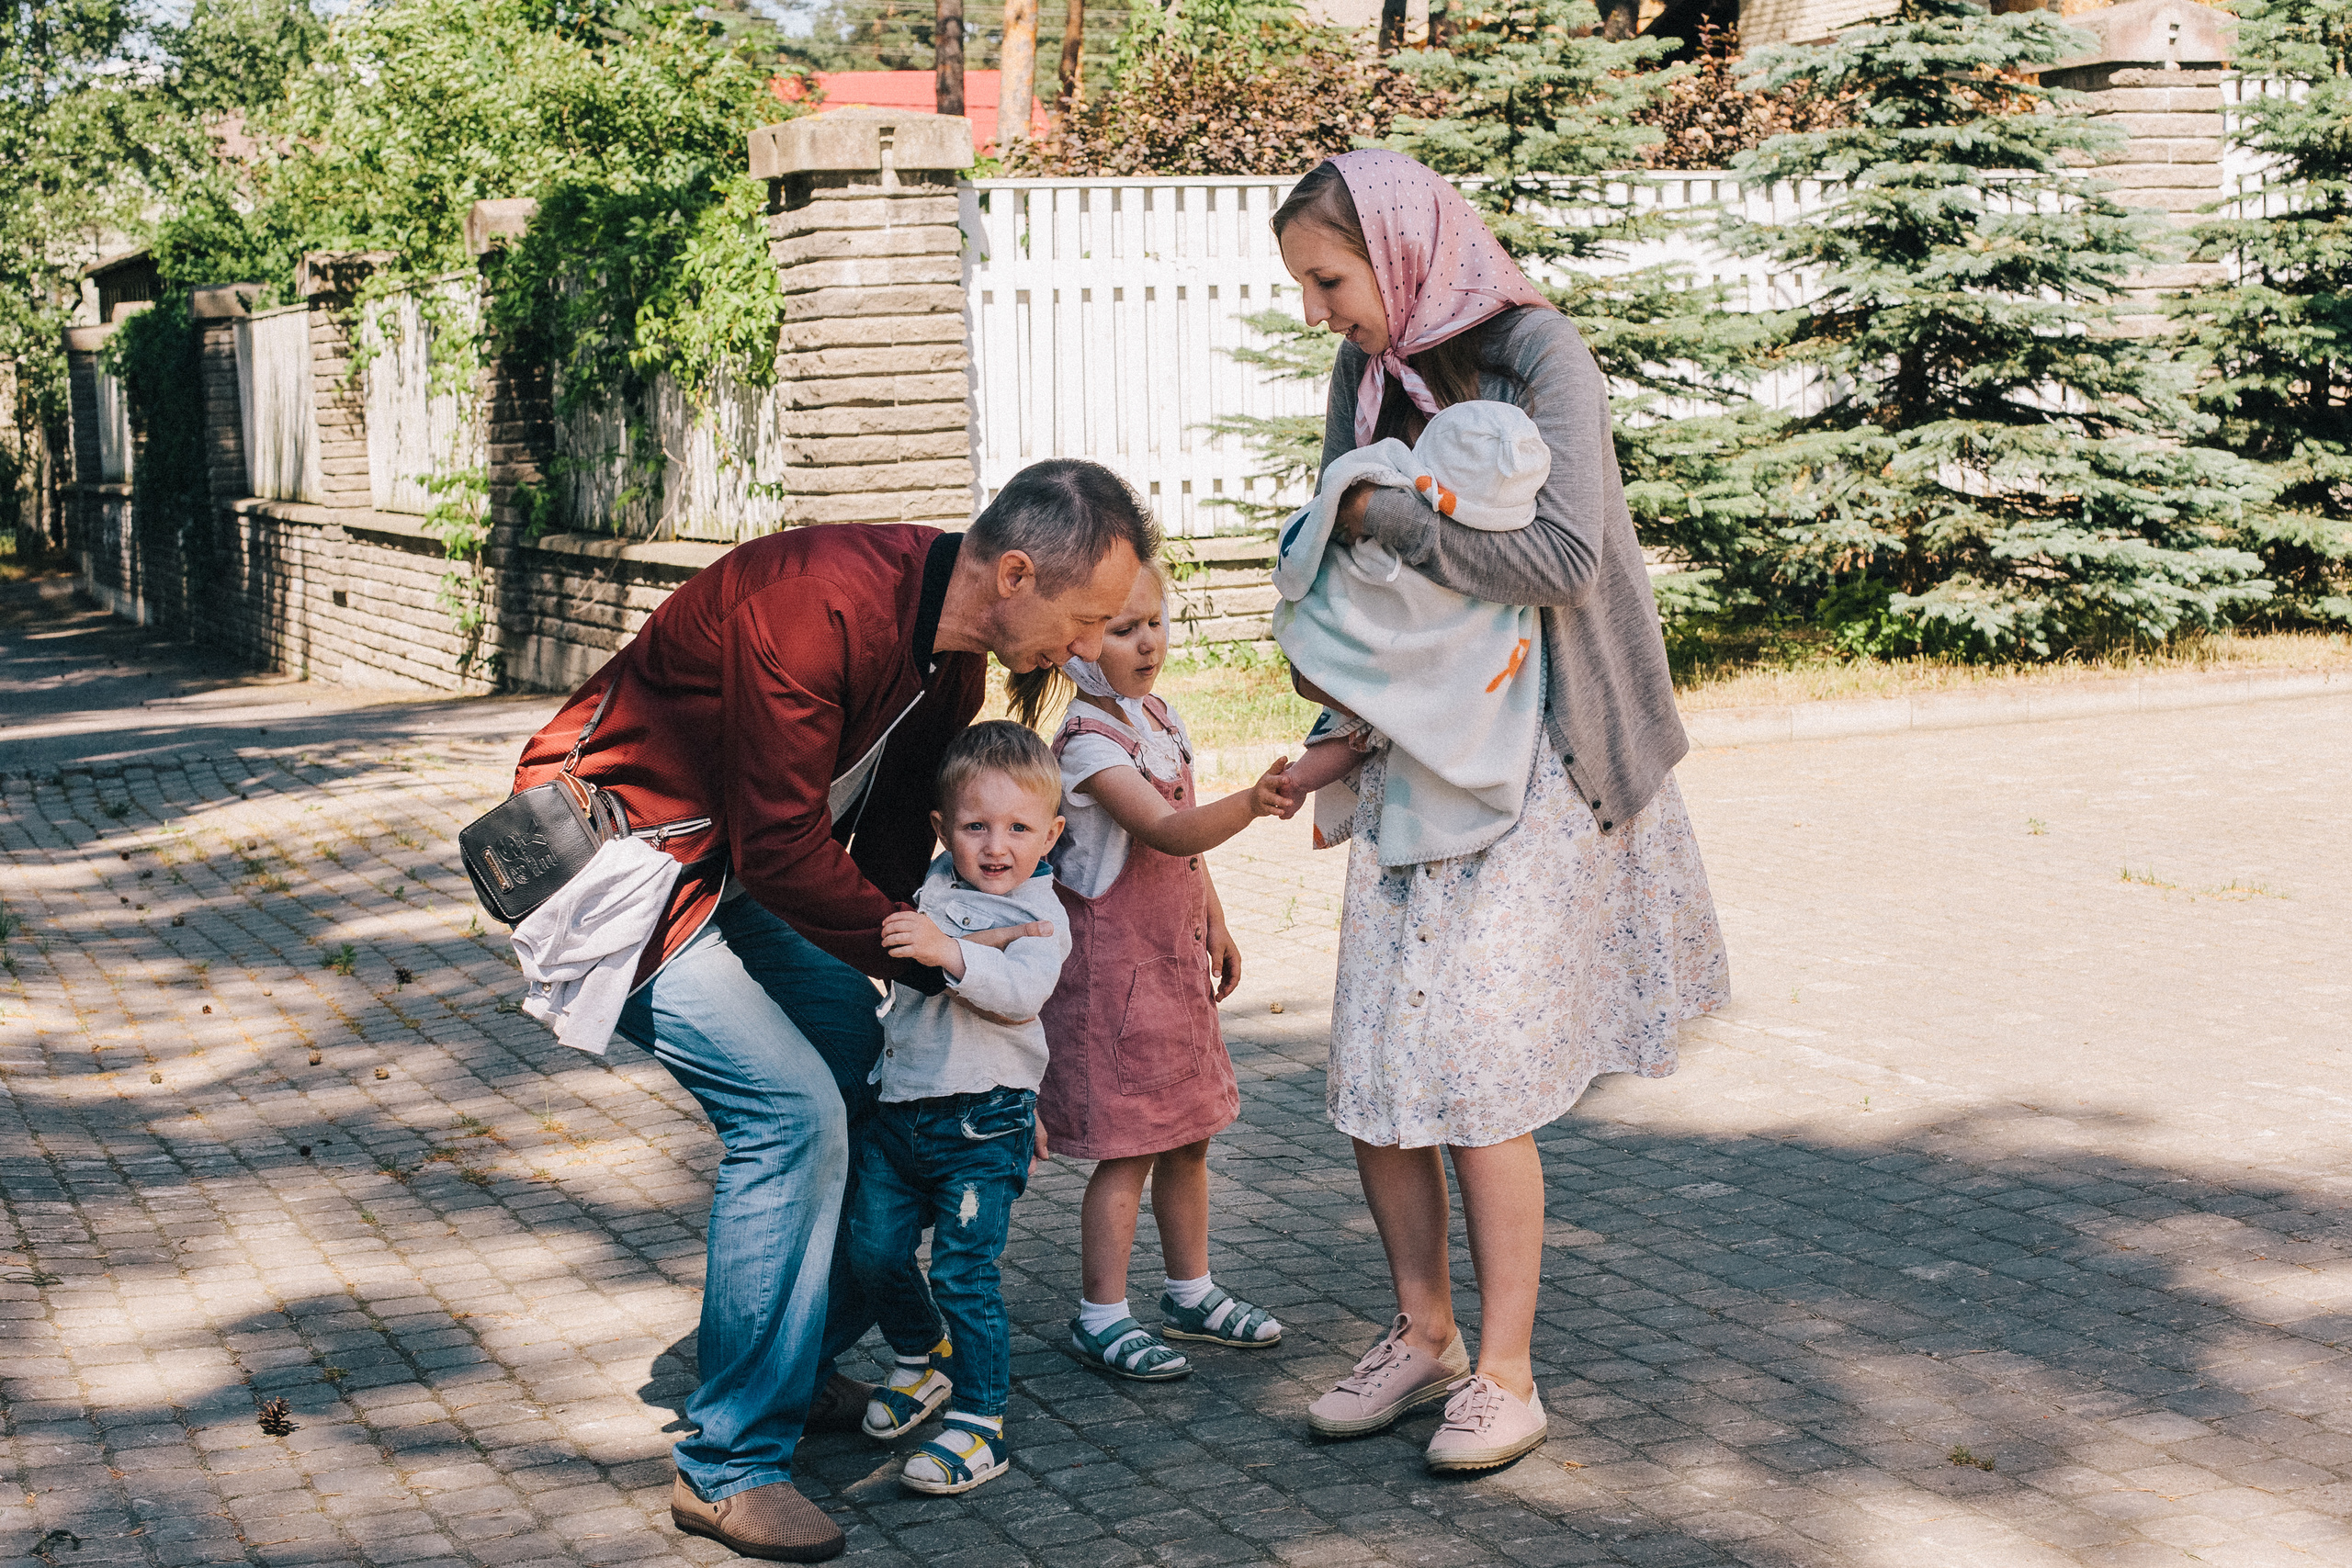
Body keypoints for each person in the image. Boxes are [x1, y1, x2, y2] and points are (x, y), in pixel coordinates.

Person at [506, 463, 1154, 1561]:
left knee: (875, 1084)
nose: (1088, 647)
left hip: (726, 875)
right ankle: (724, 1464)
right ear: (1013, 574)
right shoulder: (817, 601)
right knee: (793, 1114)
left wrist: (966, 1047)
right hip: (614, 868)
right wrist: (941, 975)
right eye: (1086, 619)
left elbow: (897, 855)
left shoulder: (948, 666)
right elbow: (786, 846)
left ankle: (790, 1377)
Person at [1272, 150, 1731, 1474]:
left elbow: (1564, 560)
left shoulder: (1541, 354)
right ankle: (1420, 1335)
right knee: (1373, 1072)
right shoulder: (1363, 373)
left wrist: (1390, 511)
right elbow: (1342, 575)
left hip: (1538, 761)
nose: (1318, 311)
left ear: (1404, 251)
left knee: (1475, 1076)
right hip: (1413, 758)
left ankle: (1508, 1373)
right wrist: (1331, 733)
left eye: (1329, 280)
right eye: (1306, 286)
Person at [1004, 560, 1294, 1382]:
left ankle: (1189, 1290)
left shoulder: (1157, 717)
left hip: (1171, 969)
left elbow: (1186, 859)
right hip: (1112, 987)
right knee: (1127, 1149)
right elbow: (1167, 830)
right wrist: (1252, 800)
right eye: (1122, 629)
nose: (1147, 642)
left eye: (1155, 623)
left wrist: (1218, 919)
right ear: (1073, 647)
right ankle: (1102, 1313)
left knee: (1189, 1135)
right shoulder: (1090, 746)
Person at [845, 721, 1072, 1495]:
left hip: (984, 1124)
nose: (997, 845)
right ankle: (922, 1355)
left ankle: (981, 1421)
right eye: (977, 826)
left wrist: (951, 951)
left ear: (1052, 833)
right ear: (944, 829)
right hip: (901, 1112)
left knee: (964, 1272)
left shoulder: (1045, 912)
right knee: (872, 1249)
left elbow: (1021, 995)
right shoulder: (934, 885)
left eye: (1018, 827)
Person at [1271, 398, 1554, 863]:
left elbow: (1313, 530)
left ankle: (1298, 778)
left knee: (1366, 723)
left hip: (1379, 671)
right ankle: (1300, 777)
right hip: (1415, 681)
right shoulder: (1501, 559)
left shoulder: (1396, 489)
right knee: (1371, 723)